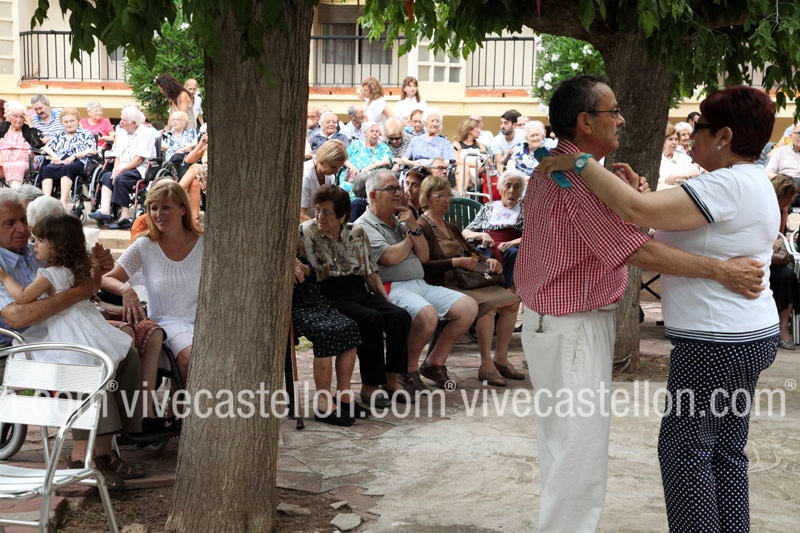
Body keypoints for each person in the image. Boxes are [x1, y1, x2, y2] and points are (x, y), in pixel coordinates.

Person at [533, 78, 775, 532]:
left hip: (716, 340)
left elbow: (637, 219)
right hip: (741, 334)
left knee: (686, 452)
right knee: (721, 451)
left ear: (724, 137)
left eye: (699, 126)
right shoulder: (747, 180)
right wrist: (718, 268)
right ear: (586, 122)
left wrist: (584, 164)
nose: (692, 132)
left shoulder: (724, 184)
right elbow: (642, 225)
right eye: (614, 111)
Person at [0, 189, 142, 489]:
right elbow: (16, 316)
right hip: (14, 347)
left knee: (124, 357)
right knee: (87, 365)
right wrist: (78, 292)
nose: (22, 229)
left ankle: (105, 447)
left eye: (23, 220)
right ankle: (82, 456)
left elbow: (83, 282)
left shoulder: (36, 250)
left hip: (52, 333)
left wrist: (96, 267)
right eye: (9, 223)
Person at [355, 169, 477, 391]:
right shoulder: (364, 225)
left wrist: (412, 227)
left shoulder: (401, 220)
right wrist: (413, 235)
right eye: (391, 189)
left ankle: (434, 363)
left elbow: (424, 256)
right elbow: (390, 257)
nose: (398, 193)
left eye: (398, 188)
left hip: (420, 284)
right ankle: (407, 369)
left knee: (468, 307)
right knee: (427, 315)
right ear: (373, 194)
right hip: (392, 287)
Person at [299, 185, 413, 406]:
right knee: (371, 319)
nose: (320, 216)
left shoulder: (356, 233)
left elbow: (371, 272)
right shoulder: (305, 232)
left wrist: (386, 302)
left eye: (326, 212)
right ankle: (370, 386)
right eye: (318, 210)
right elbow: (290, 257)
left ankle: (391, 380)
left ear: (342, 215)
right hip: (328, 293)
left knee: (399, 316)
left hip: (357, 289)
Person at [417, 176, 522, 386]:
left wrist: (487, 259)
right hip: (445, 280)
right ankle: (486, 365)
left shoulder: (450, 226)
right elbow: (424, 264)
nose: (447, 200)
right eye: (440, 196)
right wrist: (455, 262)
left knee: (511, 301)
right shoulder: (423, 226)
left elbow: (470, 250)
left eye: (449, 195)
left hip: (466, 278)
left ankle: (501, 359)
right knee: (489, 306)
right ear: (427, 198)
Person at [101, 180, 203, 382]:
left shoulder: (204, 244)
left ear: (183, 209)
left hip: (204, 322)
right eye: (153, 208)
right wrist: (126, 290)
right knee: (190, 357)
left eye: (166, 207)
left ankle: (179, 400)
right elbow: (106, 278)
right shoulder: (145, 245)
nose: (158, 214)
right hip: (166, 322)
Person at [292, 255, 362, 426]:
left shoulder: (298, 246)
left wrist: (304, 267)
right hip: (294, 306)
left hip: (315, 301)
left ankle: (343, 394)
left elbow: (315, 269)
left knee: (350, 326)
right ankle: (323, 403)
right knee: (325, 333)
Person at [88, 105, 157, 229]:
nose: (121, 122)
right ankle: (105, 211)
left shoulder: (146, 133)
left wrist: (121, 171)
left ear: (134, 123)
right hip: (123, 168)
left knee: (121, 178)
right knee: (106, 176)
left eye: (124, 120)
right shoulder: (122, 133)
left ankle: (124, 216)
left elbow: (139, 159)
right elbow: (118, 155)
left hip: (139, 168)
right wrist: (116, 169)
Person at [463, 170, 525, 291]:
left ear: (521, 191)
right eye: (508, 186)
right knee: (478, 253)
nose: (512, 191)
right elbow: (465, 232)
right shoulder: (488, 208)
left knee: (514, 253)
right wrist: (482, 235)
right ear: (500, 189)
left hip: (511, 248)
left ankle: (508, 290)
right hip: (487, 246)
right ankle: (484, 286)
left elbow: (535, 237)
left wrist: (513, 243)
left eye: (516, 187)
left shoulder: (525, 210)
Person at [39, 107, 97, 207]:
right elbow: (46, 147)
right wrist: (54, 155)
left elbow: (92, 150)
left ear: (78, 121)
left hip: (78, 161)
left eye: (72, 121)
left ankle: (63, 202)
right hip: (60, 161)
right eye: (66, 122)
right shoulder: (59, 134)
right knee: (47, 169)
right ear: (62, 123)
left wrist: (74, 156)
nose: (69, 124)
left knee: (68, 168)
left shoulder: (86, 133)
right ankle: (46, 202)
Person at [769, 174, 799, 350]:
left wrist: (785, 211)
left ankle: (783, 328)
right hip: (753, 255)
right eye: (790, 197)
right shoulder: (762, 207)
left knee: (787, 276)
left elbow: (778, 236)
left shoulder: (782, 210)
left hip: (771, 257)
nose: (792, 200)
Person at [300, 139, 348, 221]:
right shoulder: (306, 176)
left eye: (339, 168)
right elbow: (300, 215)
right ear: (323, 160)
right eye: (333, 167)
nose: (336, 171)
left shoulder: (330, 176)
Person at [1, 101, 44, 188]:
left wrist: (30, 123)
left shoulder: (28, 130)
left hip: (22, 164)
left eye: (21, 117)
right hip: (2, 162)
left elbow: (38, 146)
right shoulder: (2, 127)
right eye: (15, 116)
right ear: (8, 116)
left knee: (17, 166)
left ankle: (14, 194)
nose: (18, 120)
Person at [658, 122, 701, 190]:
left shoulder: (683, 158)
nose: (674, 142)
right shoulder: (656, 160)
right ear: (663, 141)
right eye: (670, 139)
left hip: (680, 193)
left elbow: (697, 173)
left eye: (676, 139)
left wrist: (679, 176)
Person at [451, 117, 488, 194]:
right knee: (462, 171)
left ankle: (459, 196)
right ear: (469, 130)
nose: (480, 130)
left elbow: (487, 161)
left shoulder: (480, 145)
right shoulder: (457, 144)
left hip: (474, 175)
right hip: (461, 171)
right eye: (477, 128)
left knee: (458, 178)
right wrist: (474, 164)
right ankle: (461, 195)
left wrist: (482, 166)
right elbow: (456, 161)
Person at [490, 110, 525, 174]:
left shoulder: (523, 135)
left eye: (506, 123)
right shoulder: (496, 140)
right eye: (501, 123)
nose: (503, 126)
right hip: (505, 171)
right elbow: (499, 164)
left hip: (523, 169)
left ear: (514, 125)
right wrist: (504, 178)